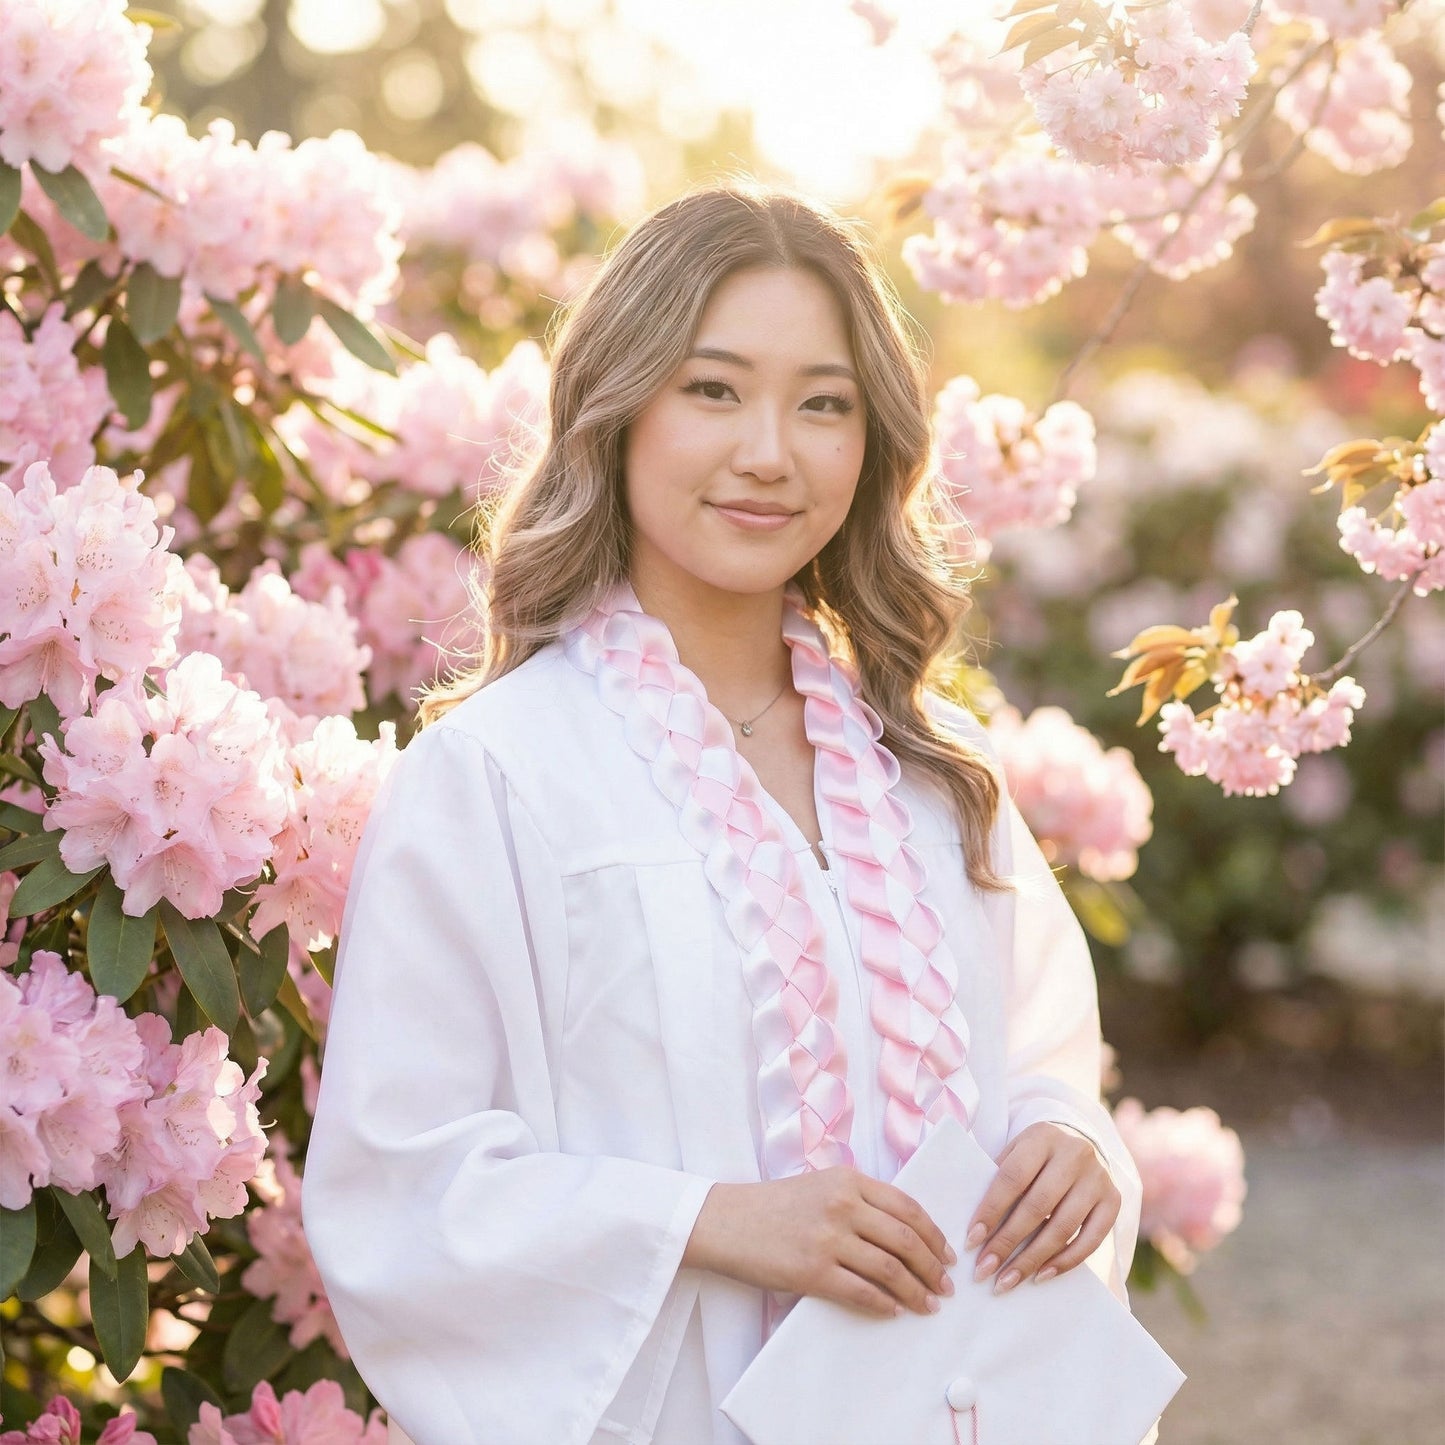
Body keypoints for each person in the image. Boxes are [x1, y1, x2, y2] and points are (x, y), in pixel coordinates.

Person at [301, 181, 1153, 1445]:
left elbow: (1037, 1058)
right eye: (712, 389)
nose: (771, 450)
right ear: (618, 407)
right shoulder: (499, 773)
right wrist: (708, 1219)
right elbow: (399, 1179)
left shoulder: (929, 771)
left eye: (823, 402)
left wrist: (1067, 1143)